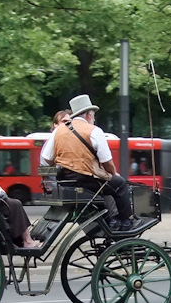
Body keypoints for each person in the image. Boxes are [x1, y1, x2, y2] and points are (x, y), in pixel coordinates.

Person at [40, 94, 143, 231]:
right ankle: (127, 221)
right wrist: (114, 173)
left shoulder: (59, 130)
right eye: (93, 115)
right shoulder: (94, 131)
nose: (93, 118)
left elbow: (45, 158)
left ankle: (110, 220)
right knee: (120, 184)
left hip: (65, 181)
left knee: (108, 187)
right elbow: (106, 161)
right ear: (88, 115)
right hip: (86, 179)